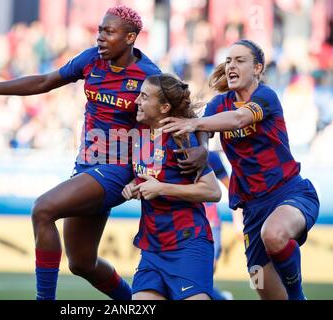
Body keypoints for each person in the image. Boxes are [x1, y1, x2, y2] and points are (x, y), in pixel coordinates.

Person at [0, 5, 208, 300]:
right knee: (82, 263)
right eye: (99, 30)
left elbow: (185, 111)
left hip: (117, 169)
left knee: (43, 209)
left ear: (130, 38)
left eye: (108, 32)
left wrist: (203, 148)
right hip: (86, 166)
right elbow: (45, 81)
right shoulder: (91, 60)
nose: (100, 37)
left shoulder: (148, 76)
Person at [160, 40, 320, 300]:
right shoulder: (217, 105)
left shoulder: (265, 96)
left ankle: (297, 296)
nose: (231, 65)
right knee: (258, 279)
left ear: (257, 68)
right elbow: (204, 135)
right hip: (252, 210)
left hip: (289, 193)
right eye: (228, 60)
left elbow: (240, 118)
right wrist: (200, 148)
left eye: (240, 60)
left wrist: (192, 124)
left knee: (274, 234)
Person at [122, 73, 221, 300]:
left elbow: (212, 191)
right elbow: (149, 176)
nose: (137, 101)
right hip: (153, 248)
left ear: (165, 107)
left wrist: (161, 188)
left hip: (188, 245)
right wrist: (133, 185)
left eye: (144, 97)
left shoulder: (181, 139)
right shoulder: (140, 135)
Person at [204, 151, 243, 300]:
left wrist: (238, 222)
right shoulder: (169, 152)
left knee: (207, 270)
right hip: (182, 223)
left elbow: (233, 190)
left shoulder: (211, 157)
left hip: (210, 223)